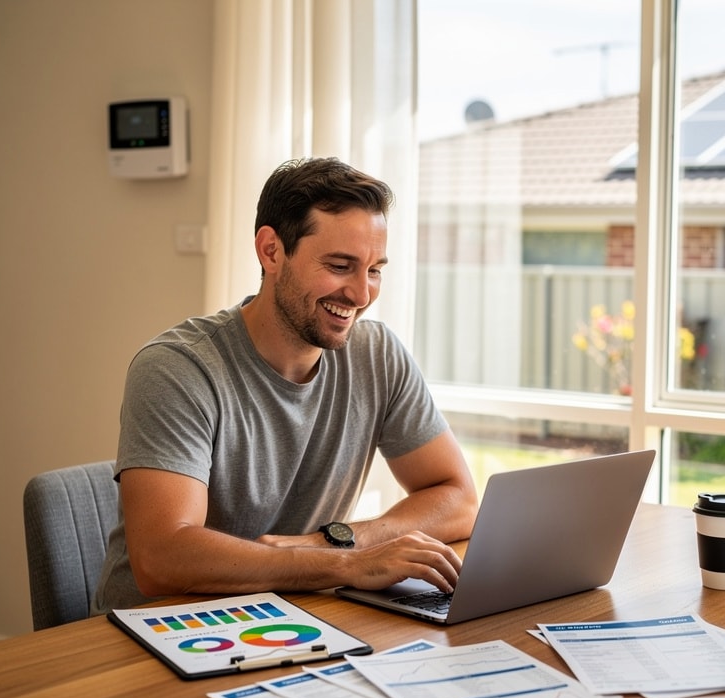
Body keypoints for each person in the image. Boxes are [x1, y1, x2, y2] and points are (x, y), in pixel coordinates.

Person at [91, 157, 479, 613]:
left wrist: (345, 541)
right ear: (271, 251)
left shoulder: (376, 354)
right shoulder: (177, 369)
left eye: (374, 270)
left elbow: (459, 499)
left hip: (291, 612)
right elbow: (162, 559)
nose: (361, 295)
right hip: (161, 631)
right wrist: (346, 564)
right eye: (340, 265)